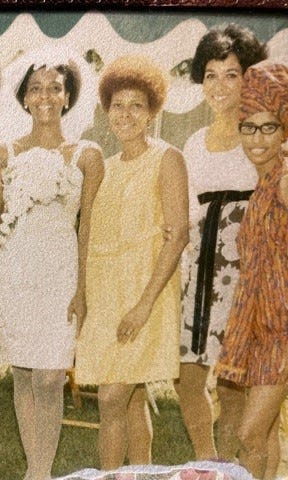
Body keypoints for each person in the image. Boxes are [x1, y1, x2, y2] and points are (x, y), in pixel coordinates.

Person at [0, 59, 103, 480]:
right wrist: (3, 211)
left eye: (55, 87)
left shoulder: (87, 155)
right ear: (24, 98)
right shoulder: (4, 153)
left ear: (68, 97)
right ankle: (37, 472)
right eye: (36, 88)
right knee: (23, 372)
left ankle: (39, 471)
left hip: (61, 273)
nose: (46, 96)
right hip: (16, 273)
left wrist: (82, 289)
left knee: (50, 378)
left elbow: (87, 225)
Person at [75, 55, 189, 469]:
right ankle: (142, 476)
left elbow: (178, 236)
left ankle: (109, 478)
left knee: (110, 398)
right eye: (118, 106)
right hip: (106, 297)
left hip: (146, 293)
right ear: (106, 112)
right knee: (133, 396)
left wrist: (143, 306)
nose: (126, 114)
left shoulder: (167, 158)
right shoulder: (102, 169)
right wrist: (82, 297)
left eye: (136, 106)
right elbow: (88, 238)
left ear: (152, 111)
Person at [175, 24, 268, 461]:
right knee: (185, 378)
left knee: (233, 388)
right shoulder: (193, 142)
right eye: (211, 74)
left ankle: (233, 469)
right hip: (198, 276)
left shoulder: (262, 135)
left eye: (231, 74)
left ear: (248, 76)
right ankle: (208, 462)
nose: (219, 85)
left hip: (246, 277)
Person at [215, 57, 288, 480]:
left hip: (281, 330)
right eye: (249, 127)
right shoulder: (263, 183)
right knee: (267, 433)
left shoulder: (282, 178)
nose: (256, 138)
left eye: (269, 127)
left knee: (248, 434)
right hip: (256, 326)